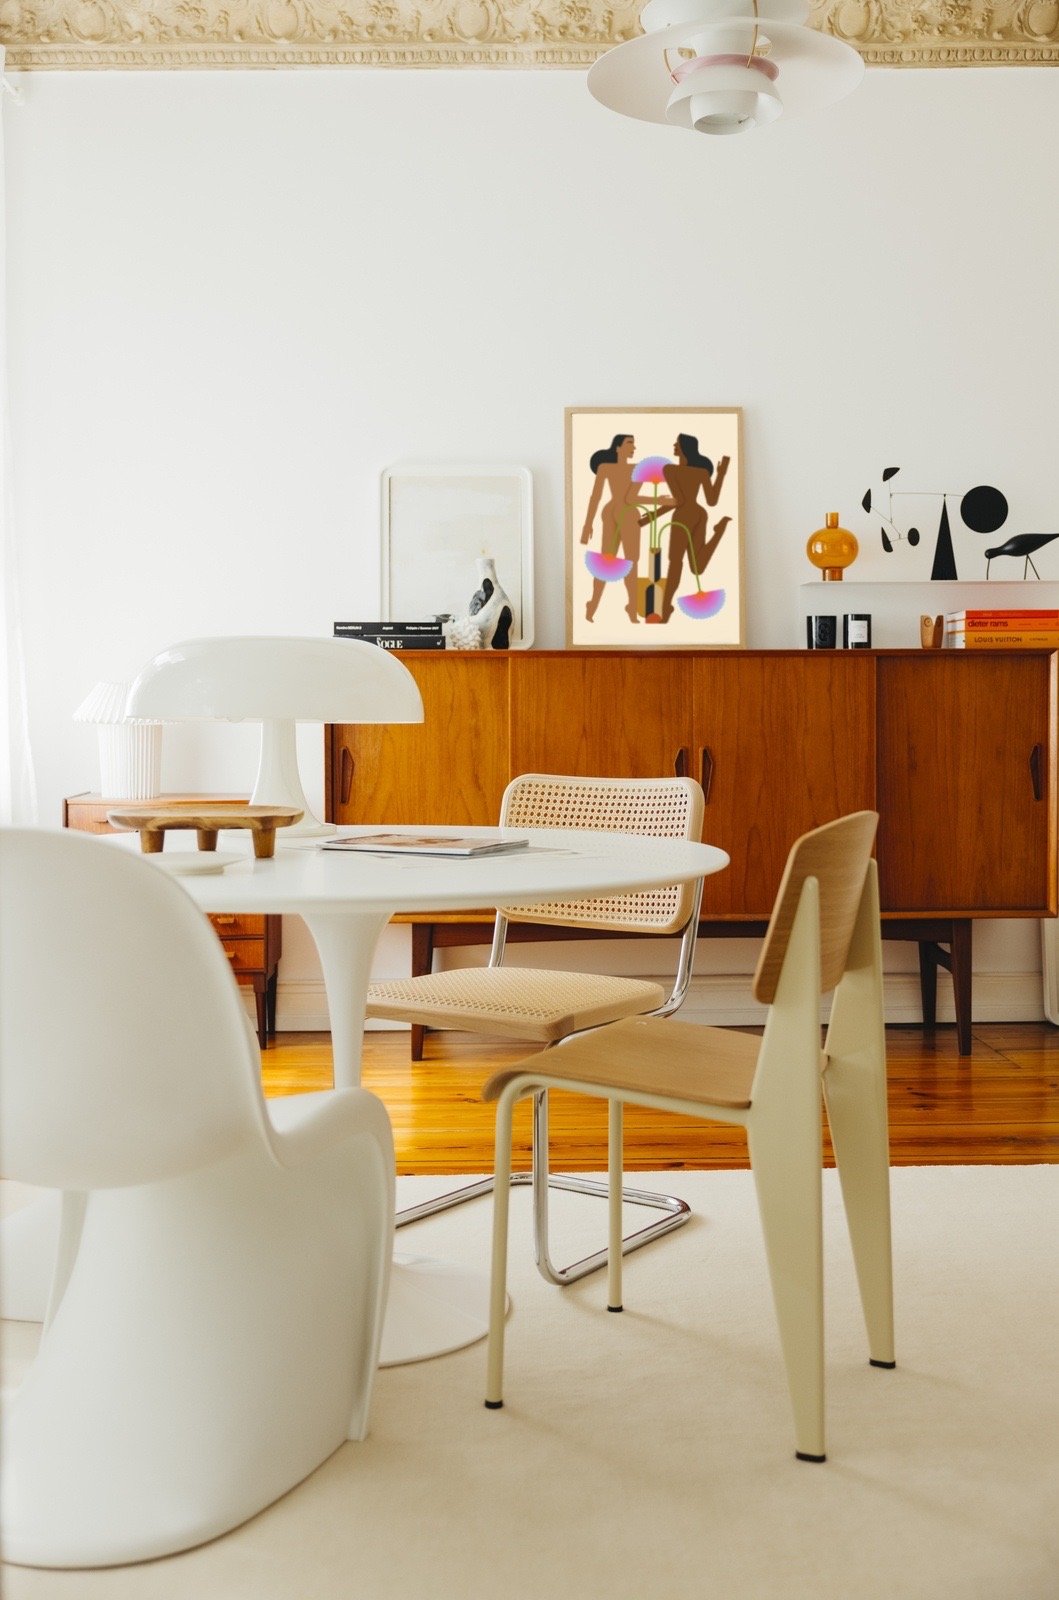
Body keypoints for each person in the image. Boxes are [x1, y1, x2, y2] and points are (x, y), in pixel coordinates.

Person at [660, 435, 730, 622]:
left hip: (683, 516)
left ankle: (665, 608)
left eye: (677, 443)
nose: (674, 445)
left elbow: (679, 501)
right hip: (700, 514)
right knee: (697, 568)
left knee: (675, 562)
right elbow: (712, 501)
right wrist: (721, 474)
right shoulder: (701, 472)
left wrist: (653, 515)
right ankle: (719, 532)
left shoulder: (669, 470)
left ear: (684, 447)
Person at [580, 435, 647, 624]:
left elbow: (632, 498)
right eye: (629, 443)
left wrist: (660, 501)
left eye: (634, 443)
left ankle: (632, 609)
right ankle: (592, 605)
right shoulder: (605, 468)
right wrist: (587, 525)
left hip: (631, 516)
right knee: (606, 562)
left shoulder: (637, 468)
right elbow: (595, 496)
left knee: (632, 563)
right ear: (617, 448)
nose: (633, 447)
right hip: (610, 515)